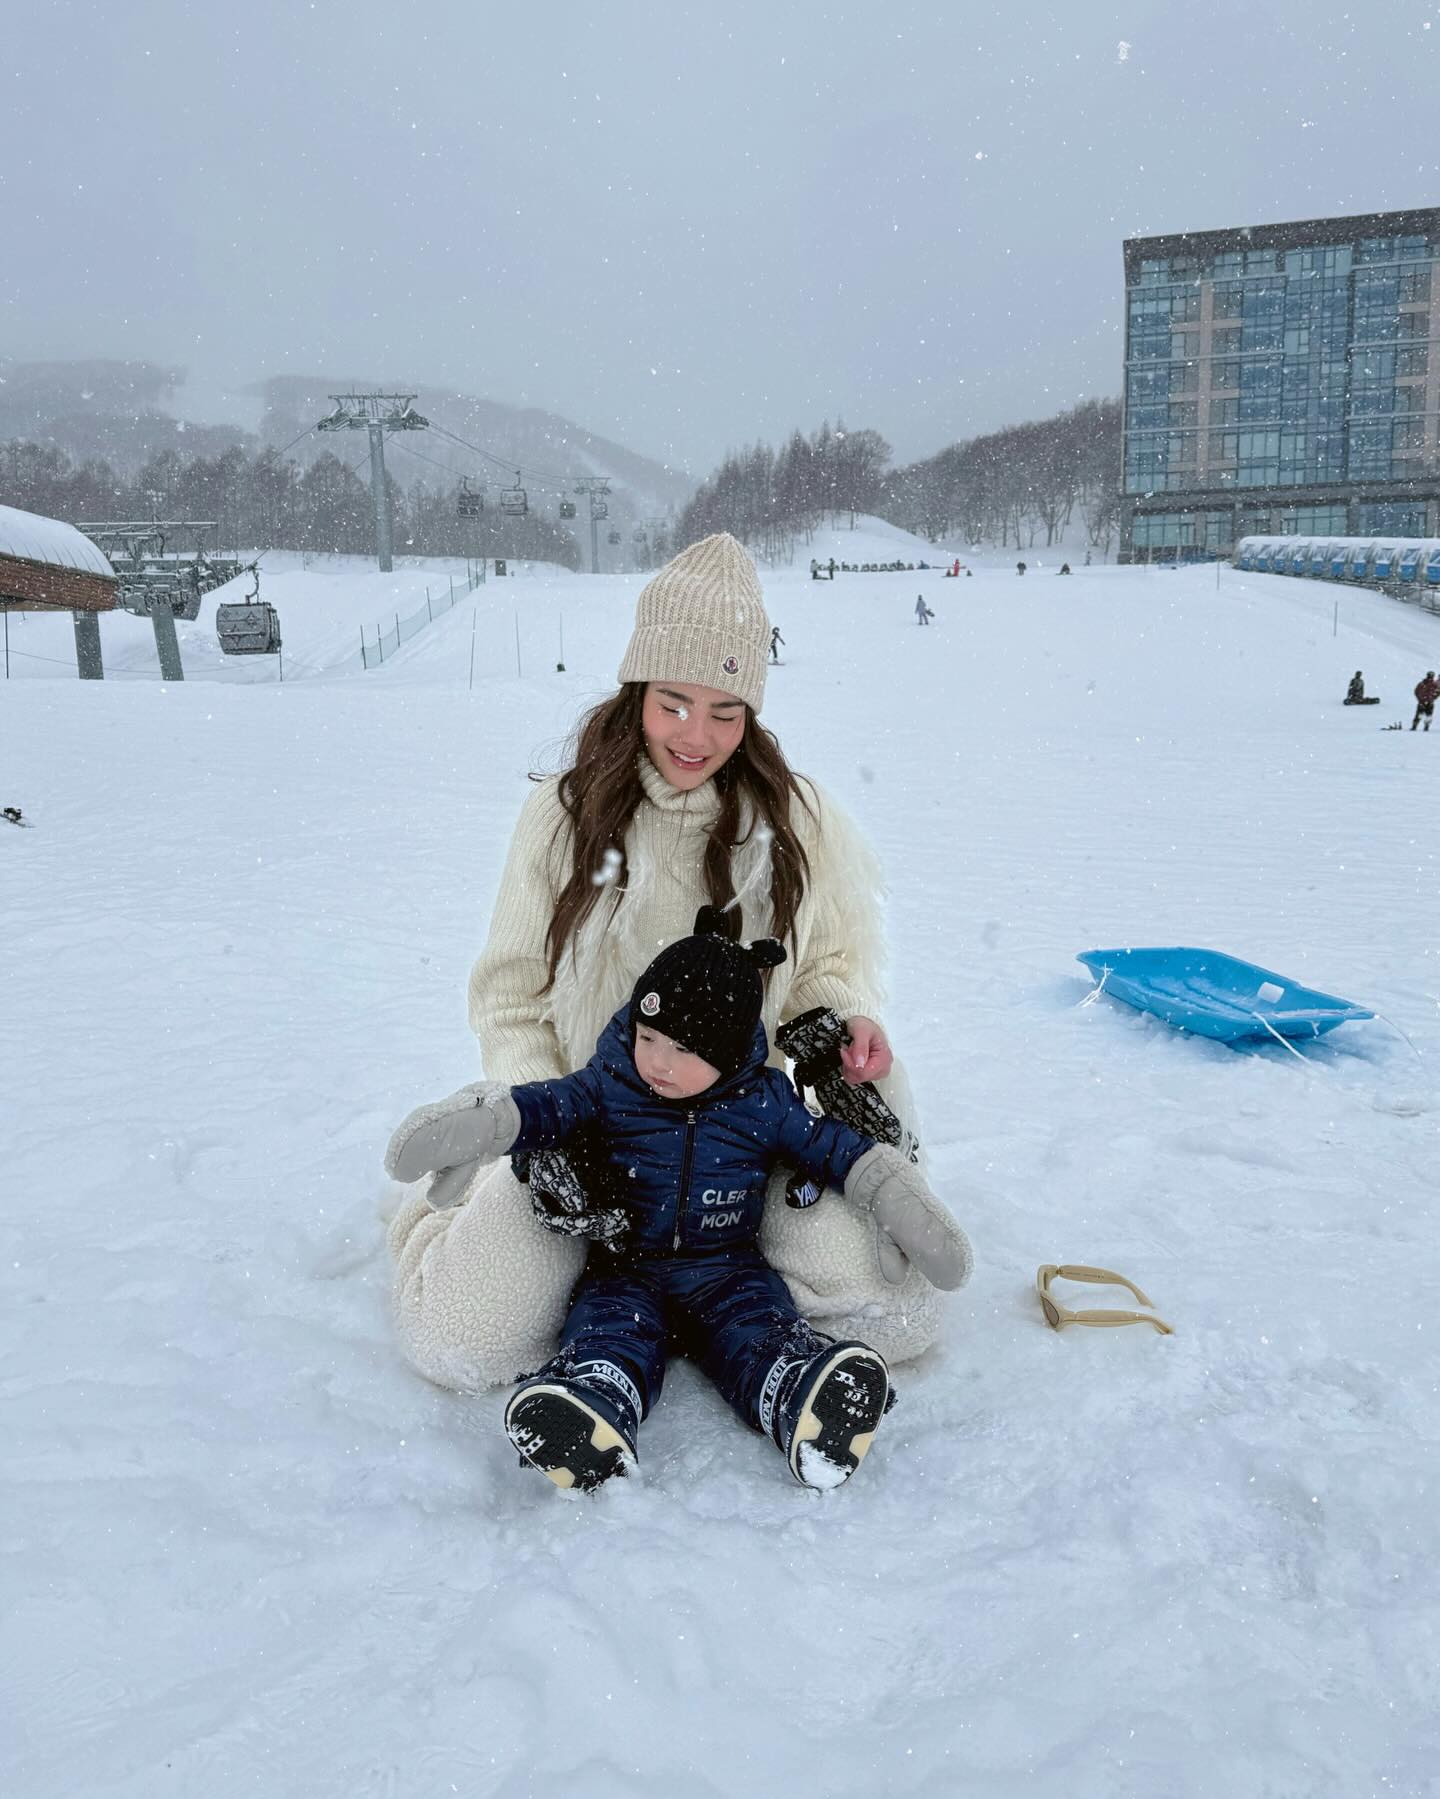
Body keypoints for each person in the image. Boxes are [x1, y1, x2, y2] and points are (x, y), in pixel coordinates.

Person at [386, 532, 963, 1397]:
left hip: (746, 1144)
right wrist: (552, 1134)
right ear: (636, 692)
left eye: (726, 710)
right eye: (674, 702)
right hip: (594, 1135)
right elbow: (508, 998)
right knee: (465, 1341)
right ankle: (447, 1226)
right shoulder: (564, 815)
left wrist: (845, 1019)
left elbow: (827, 964)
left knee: (897, 1320)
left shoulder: (794, 815)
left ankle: (713, 1272)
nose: (697, 735)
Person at [386, 909, 970, 1492]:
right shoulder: (608, 1083)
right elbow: (546, 1107)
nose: (658, 1061)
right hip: (624, 1266)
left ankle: (800, 1396)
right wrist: (490, 1123)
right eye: (648, 1037)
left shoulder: (763, 1102)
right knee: (607, 1332)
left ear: (729, 1052)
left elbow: (831, 1146)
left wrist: (887, 1189)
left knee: (760, 1330)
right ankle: (591, 1407)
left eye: (685, 1050)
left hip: (727, 1268)